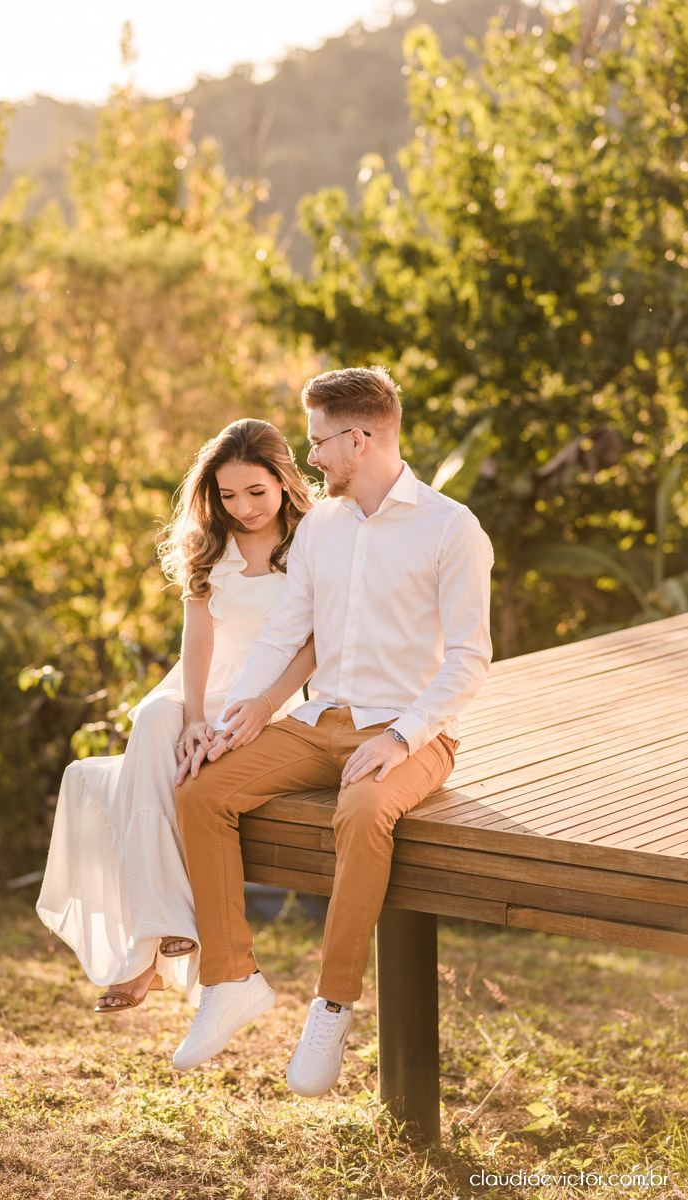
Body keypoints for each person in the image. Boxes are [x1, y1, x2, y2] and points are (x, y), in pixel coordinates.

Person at [173, 366, 493, 1095]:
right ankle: (230, 978)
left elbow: (470, 663)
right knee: (199, 790)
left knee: (362, 810)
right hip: (320, 723)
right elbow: (285, 632)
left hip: (413, 734)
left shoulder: (451, 529)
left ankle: (332, 1004)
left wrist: (399, 737)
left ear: (360, 438)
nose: (310, 459)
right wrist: (232, 719)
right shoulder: (319, 527)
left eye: (319, 443)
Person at [36, 419, 317, 1013]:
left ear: (284, 482)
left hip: (270, 693)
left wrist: (263, 708)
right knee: (154, 722)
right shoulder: (211, 546)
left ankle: (146, 964)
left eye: (256, 492)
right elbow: (198, 640)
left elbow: (318, 644)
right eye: (228, 494)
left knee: (144, 777)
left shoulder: (315, 540)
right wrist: (192, 717)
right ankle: (158, 930)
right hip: (201, 686)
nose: (242, 507)